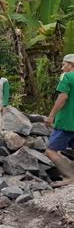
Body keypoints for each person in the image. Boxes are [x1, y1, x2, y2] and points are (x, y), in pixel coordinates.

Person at [45, 54, 74, 187]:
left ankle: (69, 176)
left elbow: (62, 97)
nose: (62, 68)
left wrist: (51, 116)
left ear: (71, 65)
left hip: (66, 122)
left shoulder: (67, 77)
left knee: (51, 150)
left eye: (64, 64)